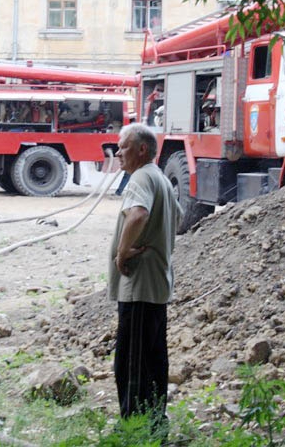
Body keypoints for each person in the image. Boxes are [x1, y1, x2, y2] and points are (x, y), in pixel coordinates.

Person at [108, 123, 183, 427]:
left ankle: (134, 429)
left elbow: (138, 214)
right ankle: (155, 426)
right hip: (157, 283)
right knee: (153, 362)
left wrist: (122, 251)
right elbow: (177, 217)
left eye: (123, 147)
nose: (117, 153)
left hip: (139, 285)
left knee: (132, 365)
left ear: (141, 149)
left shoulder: (140, 177)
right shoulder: (160, 178)